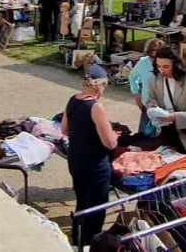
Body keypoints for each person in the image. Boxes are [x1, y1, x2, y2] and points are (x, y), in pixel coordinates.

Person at [61, 64, 118, 247]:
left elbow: (64, 129)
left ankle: (77, 239)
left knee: (82, 202)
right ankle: (90, 244)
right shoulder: (95, 107)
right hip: (95, 165)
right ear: (99, 85)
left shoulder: (73, 100)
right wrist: (112, 134)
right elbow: (109, 143)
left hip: (76, 160)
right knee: (96, 209)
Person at [128, 38, 165, 135]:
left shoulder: (167, 64)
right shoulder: (143, 62)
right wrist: (136, 93)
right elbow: (132, 76)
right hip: (147, 105)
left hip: (165, 107)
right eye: (153, 51)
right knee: (144, 137)